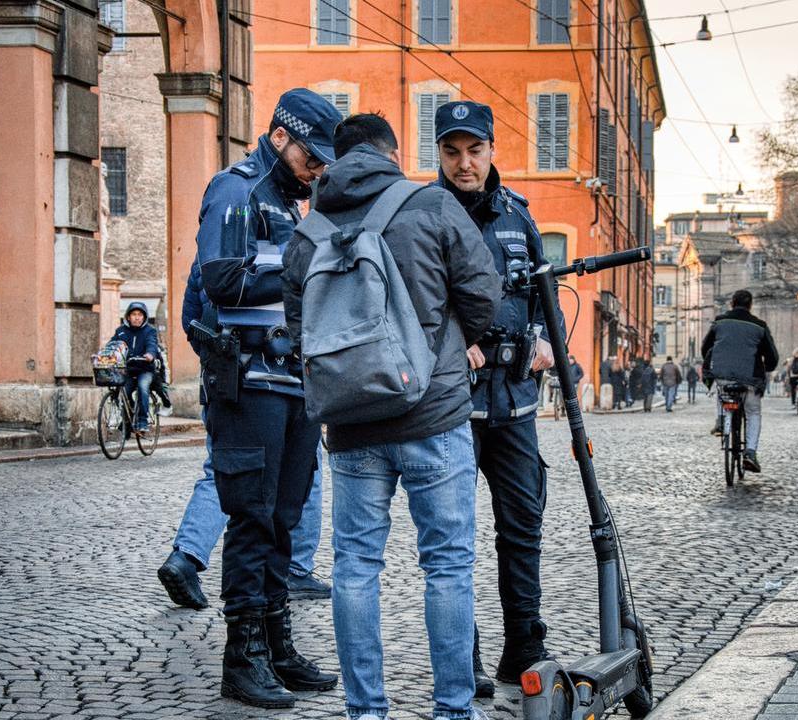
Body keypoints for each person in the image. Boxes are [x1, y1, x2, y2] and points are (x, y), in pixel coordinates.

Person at [283, 112, 500, 720]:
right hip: (434, 413)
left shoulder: (310, 230)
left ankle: (366, 712)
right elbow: (484, 294)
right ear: (392, 152)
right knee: (448, 566)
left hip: (352, 425)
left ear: (336, 157)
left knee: (354, 567)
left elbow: (302, 335)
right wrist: (445, 345)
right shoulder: (430, 205)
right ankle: (454, 711)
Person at [180, 89, 342, 709]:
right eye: (312, 156)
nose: (319, 168)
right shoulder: (236, 189)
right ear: (281, 137)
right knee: (252, 515)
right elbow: (220, 279)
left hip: (295, 383)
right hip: (249, 382)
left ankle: (276, 644)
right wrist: (306, 264)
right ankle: (241, 656)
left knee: (284, 516)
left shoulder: (292, 207)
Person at [432, 100, 562, 694]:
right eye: (453, 152)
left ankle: (524, 644)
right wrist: (451, 340)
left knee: (522, 525)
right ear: (439, 154)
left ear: (491, 150)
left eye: (474, 150)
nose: (464, 163)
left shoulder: (518, 216)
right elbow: (408, 296)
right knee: (454, 536)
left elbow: (543, 293)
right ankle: (465, 655)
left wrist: (544, 340)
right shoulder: (424, 213)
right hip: (453, 406)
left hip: (515, 404)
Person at [702, 290, 780, 473]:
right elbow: (772, 356)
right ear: (750, 305)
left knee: (722, 391)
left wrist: (714, 364)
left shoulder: (719, 322)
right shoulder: (759, 326)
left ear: (732, 303)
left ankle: (722, 420)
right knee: (753, 412)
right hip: (750, 378)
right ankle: (750, 452)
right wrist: (767, 367)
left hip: (723, 374)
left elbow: (705, 347)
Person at [108, 302, 161, 434]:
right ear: (128, 317)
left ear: (144, 317)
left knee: (143, 387)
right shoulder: (120, 331)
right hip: (128, 370)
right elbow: (112, 345)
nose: (137, 317)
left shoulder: (150, 331)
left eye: (140, 315)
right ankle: (127, 418)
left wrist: (150, 354)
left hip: (145, 369)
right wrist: (104, 354)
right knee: (123, 392)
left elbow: (152, 344)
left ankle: (142, 420)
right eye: (134, 314)